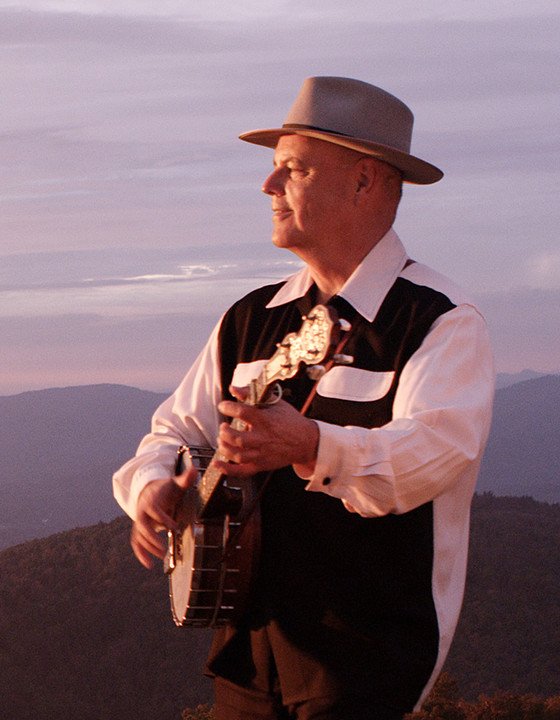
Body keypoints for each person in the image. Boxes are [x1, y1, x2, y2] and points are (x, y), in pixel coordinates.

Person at [112, 77, 494, 719]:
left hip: (367, 666)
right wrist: (153, 486)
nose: (267, 187)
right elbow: (172, 433)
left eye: (292, 170)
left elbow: (431, 454)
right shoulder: (249, 318)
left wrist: (313, 445)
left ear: (364, 182)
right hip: (244, 656)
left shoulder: (441, 322)